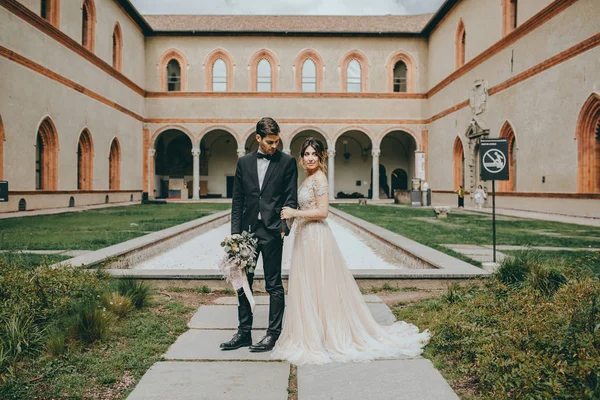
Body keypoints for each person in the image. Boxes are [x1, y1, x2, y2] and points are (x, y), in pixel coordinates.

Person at [273, 138, 429, 365]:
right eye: (306, 154)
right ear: (301, 157)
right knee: (309, 284)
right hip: (304, 237)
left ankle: (326, 335)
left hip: (316, 236)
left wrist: (295, 213)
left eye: (314, 154)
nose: (309, 158)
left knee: (319, 283)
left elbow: (323, 211)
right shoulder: (308, 178)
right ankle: (314, 332)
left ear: (321, 157)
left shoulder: (319, 178)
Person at [220, 117, 298, 352]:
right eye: (270, 142)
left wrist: (285, 226)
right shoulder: (243, 163)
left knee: (274, 284)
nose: (274, 146)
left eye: (277, 141)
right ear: (258, 139)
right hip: (247, 234)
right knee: (244, 283)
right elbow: (238, 200)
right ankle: (244, 333)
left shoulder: (287, 162)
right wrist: (235, 234)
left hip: (273, 231)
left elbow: (290, 197)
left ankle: (272, 334)